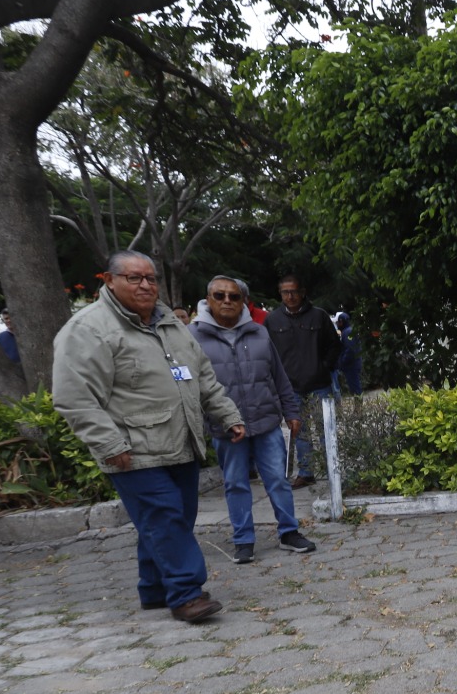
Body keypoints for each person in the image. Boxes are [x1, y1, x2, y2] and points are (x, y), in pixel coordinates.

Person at [51, 250, 244, 624]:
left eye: (150, 278)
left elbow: (200, 376)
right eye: (134, 278)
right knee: (165, 517)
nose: (145, 285)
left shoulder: (169, 322)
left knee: (173, 519)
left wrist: (228, 414)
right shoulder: (89, 329)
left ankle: (154, 589)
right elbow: (74, 397)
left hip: (180, 441)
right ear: (109, 280)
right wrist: (108, 445)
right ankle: (187, 594)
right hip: (132, 449)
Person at [190, 275, 316, 564]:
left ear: (242, 301)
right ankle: (243, 540)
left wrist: (291, 412)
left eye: (233, 297)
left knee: (278, 481)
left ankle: (289, 532)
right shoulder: (192, 337)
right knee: (235, 484)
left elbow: (279, 376)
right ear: (208, 300)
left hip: (266, 422)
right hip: (225, 429)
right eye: (219, 296)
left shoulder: (258, 332)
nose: (226, 302)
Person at [264, 274, 341, 489]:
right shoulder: (273, 320)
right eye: (285, 292)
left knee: (326, 428)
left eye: (294, 291)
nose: (290, 296)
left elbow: (335, 345)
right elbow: (267, 352)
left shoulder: (318, 316)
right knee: (299, 432)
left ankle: (332, 470)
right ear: (280, 294)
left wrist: (324, 366)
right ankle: (306, 472)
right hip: (291, 387)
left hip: (319, 383)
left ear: (302, 292)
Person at [335, 312, 363, 395]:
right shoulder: (349, 330)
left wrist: (343, 362)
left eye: (338, 322)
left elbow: (350, 350)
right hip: (354, 363)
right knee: (355, 387)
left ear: (341, 322)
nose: (337, 324)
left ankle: (359, 407)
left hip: (351, 365)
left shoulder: (347, 332)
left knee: (355, 388)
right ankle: (358, 406)